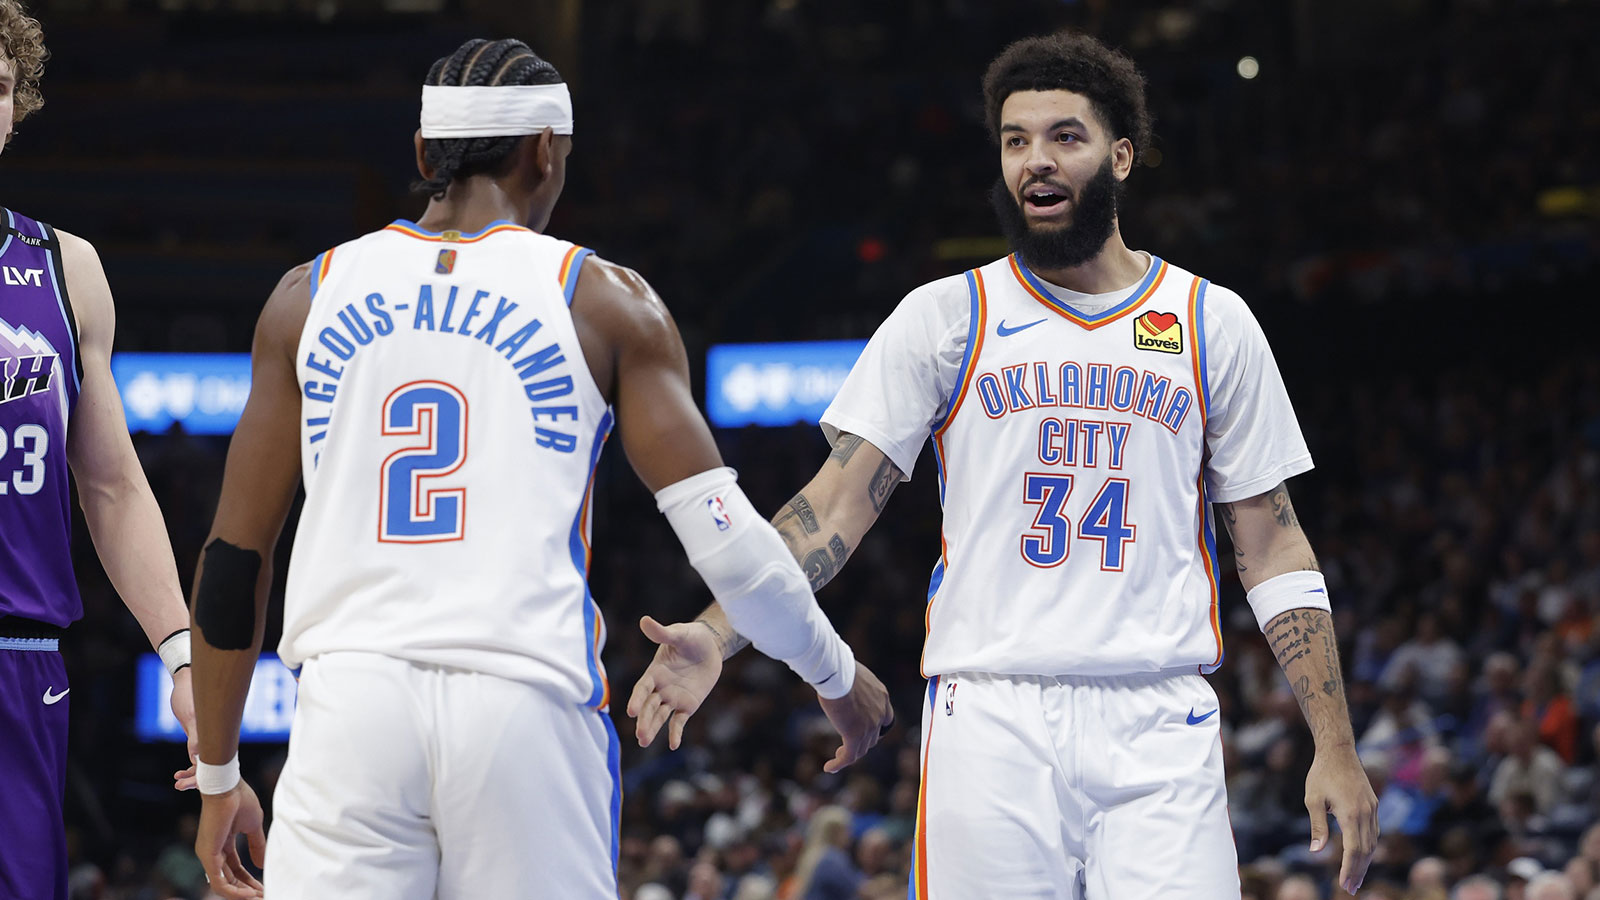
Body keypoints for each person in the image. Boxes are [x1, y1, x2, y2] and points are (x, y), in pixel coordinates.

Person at [630, 30, 1378, 899]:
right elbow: (830, 509)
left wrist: (1335, 742)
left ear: (1121, 156)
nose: (1036, 162)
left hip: (1158, 713)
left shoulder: (1212, 322)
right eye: (1016, 141)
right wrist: (719, 631)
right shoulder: (948, 315)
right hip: (992, 714)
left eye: (1066, 136)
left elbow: (1274, 545)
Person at [185, 37, 892, 900]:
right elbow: (732, 549)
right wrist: (835, 673)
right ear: (544, 151)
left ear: (422, 155)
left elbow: (232, 565)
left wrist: (219, 777)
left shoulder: (306, 295)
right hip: (521, 703)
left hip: (350, 709)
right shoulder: (604, 301)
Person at [0, 4, 197, 899]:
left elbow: (112, 488)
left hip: (20, 659)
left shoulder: (62, 266)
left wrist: (184, 654)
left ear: (19, 107)